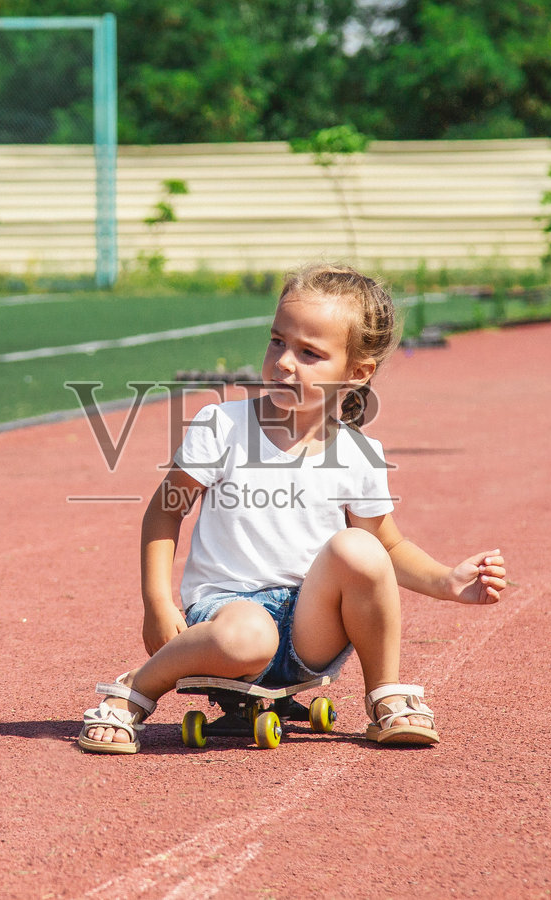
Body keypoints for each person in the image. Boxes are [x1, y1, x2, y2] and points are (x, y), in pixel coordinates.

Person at [78, 263, 507, 754]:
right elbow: (165, 511)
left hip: (310, 628)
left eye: (310, 353)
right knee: (249, 636)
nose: (284, 362)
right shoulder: (223, 426)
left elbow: (389, 546)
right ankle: (136, 689)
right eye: (278, 341)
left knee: (359, 547)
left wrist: (447, 582)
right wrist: (157, 602)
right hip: (226, 616)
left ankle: (385, 694)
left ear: (357, 372)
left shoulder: (358, 452)